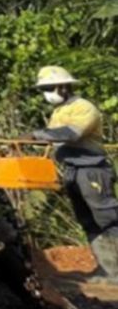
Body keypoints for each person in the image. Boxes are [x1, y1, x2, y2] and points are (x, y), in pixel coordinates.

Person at [32, 66, 118, 277]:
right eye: (44, 89)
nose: (47, 93)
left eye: (50, 87)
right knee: (87, 220)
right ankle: (109, 269)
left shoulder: (83, 107)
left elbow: (72, 133)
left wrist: (37, 134)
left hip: (91, 168)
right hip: (72, 169)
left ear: (64, 86)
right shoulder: (58, 112)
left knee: (107, 218)